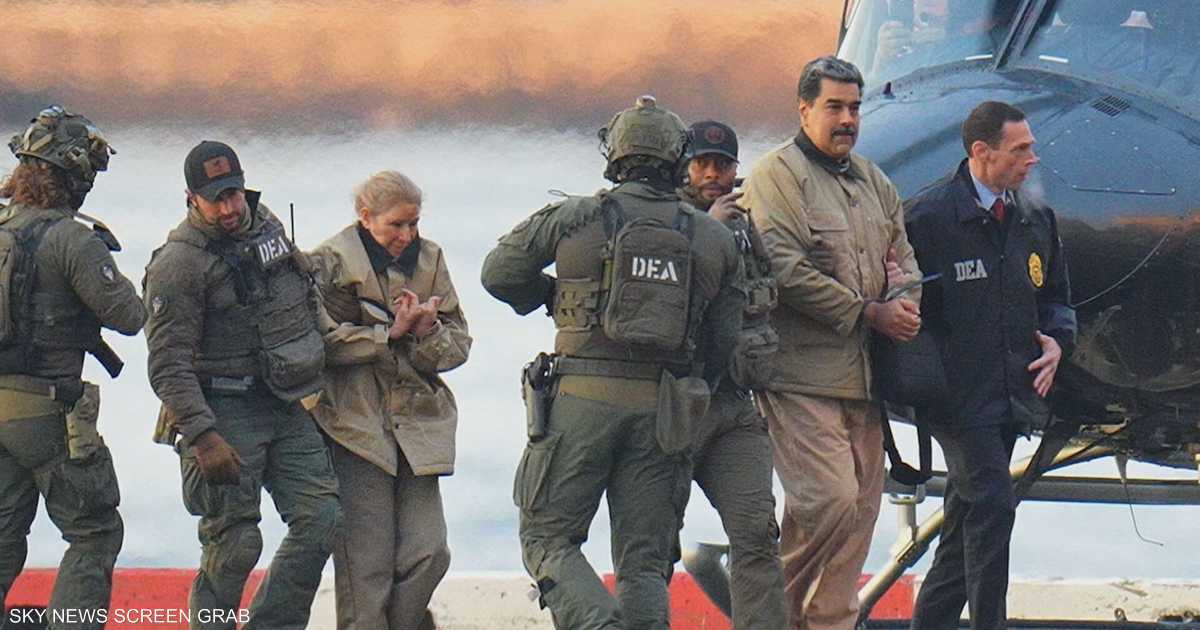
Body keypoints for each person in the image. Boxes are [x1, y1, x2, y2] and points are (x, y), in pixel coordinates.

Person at [481, 95, 744, 630]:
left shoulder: (575, 217)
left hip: (579, 402)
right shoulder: (713, 237)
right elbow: (724, 339)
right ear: (676, 158)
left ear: (616, 154)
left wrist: (554, 296)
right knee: (644, 562)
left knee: (547, 537)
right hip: (663, 411)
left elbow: (499, 273)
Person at [740, 56, 922, 630]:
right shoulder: (777, 176)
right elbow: (782, 268)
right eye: (834, 107)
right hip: (799, 375)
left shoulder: (874, 182)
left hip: (866, 379)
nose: (847, 119)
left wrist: (905, 302)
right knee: (829, 501)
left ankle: (825, 624)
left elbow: (905, 258)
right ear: (804, 110)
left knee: (860, 515)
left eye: (855, 108)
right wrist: (868, 312)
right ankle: (770, 617)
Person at [143, 141, 342, 629]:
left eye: (234, 193)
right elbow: (167, 364)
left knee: (321, 520)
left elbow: (303, 293)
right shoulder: (178, 264)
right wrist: (203, 435)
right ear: (192, 198)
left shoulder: (266, 227)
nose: (230, 208)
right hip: (221, 410)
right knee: (234, 543)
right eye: (216, 199)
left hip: (283, 400)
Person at [905, 101, 1075, 630]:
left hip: (1009, 399)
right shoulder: (928, 218)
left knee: (965, 528)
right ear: (982, 152)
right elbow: (906, 310)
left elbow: (1056, 298)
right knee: (995, 507)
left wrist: (1058, 343)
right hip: (955, 401)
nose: (1032, 158)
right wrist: (930, 379)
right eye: (1020, 149)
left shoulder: (1033, 217)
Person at [0, 106, 145, 629]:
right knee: (94, 532)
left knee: (3, 535)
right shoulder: (73, 239)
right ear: (73, 175)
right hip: (48, 411)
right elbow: (129, 317)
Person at [307, 170, 471, 630]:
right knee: (367, 569)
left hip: (418, 425)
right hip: (354, 425)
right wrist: (386, 334)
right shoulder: (328, 262)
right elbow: (318, 345)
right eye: (395, 225)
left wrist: (428, 331)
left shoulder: (431, 259)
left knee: (430, 552)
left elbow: (458, 346)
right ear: (365, 217)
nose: (407, 235)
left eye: (414, 223)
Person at [676, 120, 788, 629]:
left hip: (734, 401)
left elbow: (765, 292)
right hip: (677, 402)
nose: (713, 175)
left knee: (757, 534)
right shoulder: (667, 220)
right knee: (653, 539)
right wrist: (711, 230)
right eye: (703, 164)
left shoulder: (743, 224)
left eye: (723, 165)